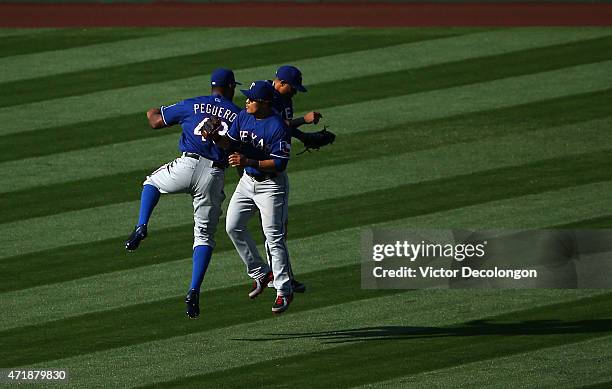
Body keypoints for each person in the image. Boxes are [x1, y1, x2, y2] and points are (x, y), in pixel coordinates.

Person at [124, 68, 242, 319]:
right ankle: (193, 290)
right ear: (231, 87)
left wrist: (154, 110)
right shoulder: (240, 115)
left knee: (151, 184)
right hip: (213, 176)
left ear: (212, 87)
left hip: (186, 166)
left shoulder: (194, 104)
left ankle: (142, 225)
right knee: (204, 237)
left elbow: (155, 120)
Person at [203, 80, 294, 314]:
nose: (247, 101)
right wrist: (215, 137)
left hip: (272, 187)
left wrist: (248, 162)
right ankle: (261, 272)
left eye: (251, 99)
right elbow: (230, 143)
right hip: (247, 182)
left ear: (263, 103)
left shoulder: (277, 127)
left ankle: (284, 290)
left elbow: (280, 163)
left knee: (273, 238)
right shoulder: (243, 116)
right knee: (233, 227)